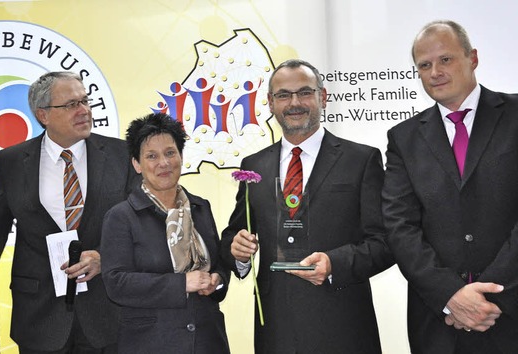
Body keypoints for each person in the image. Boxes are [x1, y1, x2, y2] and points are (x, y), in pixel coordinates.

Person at [220, 59, 393, 353]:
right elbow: (235, 233)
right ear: (271, 104)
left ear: (322, 97)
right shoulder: (254, 167)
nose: (294, 103)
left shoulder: (361, 160)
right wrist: (237, 252)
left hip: (343, 328)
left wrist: (334, 263)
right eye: (284, 95)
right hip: (276, 332)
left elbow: (387, 241)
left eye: (305, 92)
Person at [382, 20, 518, 353]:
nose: (435, 72)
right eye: (424, 65)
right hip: (440, 321)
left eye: (445, 59)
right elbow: (400, 226)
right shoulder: (404, 138)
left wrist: (488, 296)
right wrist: (450, 296)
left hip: (511, 310)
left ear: (472, 58)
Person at [0, 71, 139, 353]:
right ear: (43, 115)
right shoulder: (10, 163)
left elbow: (143, 231)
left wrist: (105, 258)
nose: (84, 111)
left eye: (85, 101)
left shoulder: (123, 155)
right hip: (39, 319)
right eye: (71, 105)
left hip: (108, 316)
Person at [101, 113, 230, 354]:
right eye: (151, 156)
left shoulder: (200, 207)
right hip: (150, 343)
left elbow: (219, 264)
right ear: (136, 164)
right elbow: (116, 283)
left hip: (207, 341)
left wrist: (217, 281)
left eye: (170, 153)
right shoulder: (121, 216)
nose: (164, 163)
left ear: (181, 156)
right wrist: (181, 284)